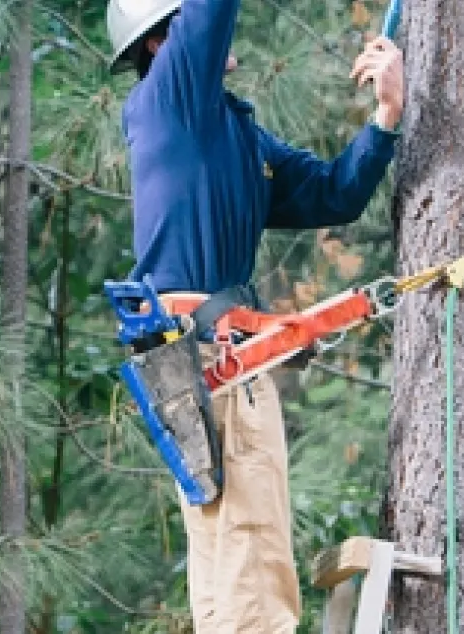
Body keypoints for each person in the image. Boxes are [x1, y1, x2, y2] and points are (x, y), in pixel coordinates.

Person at [103, 0, 405, 630]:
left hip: (201, 360)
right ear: (164, 43)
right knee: (252, 552)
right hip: (213, 361)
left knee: (227, 558)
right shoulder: (171, 97)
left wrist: (387, 116)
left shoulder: (229, 134)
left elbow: (334, 193)